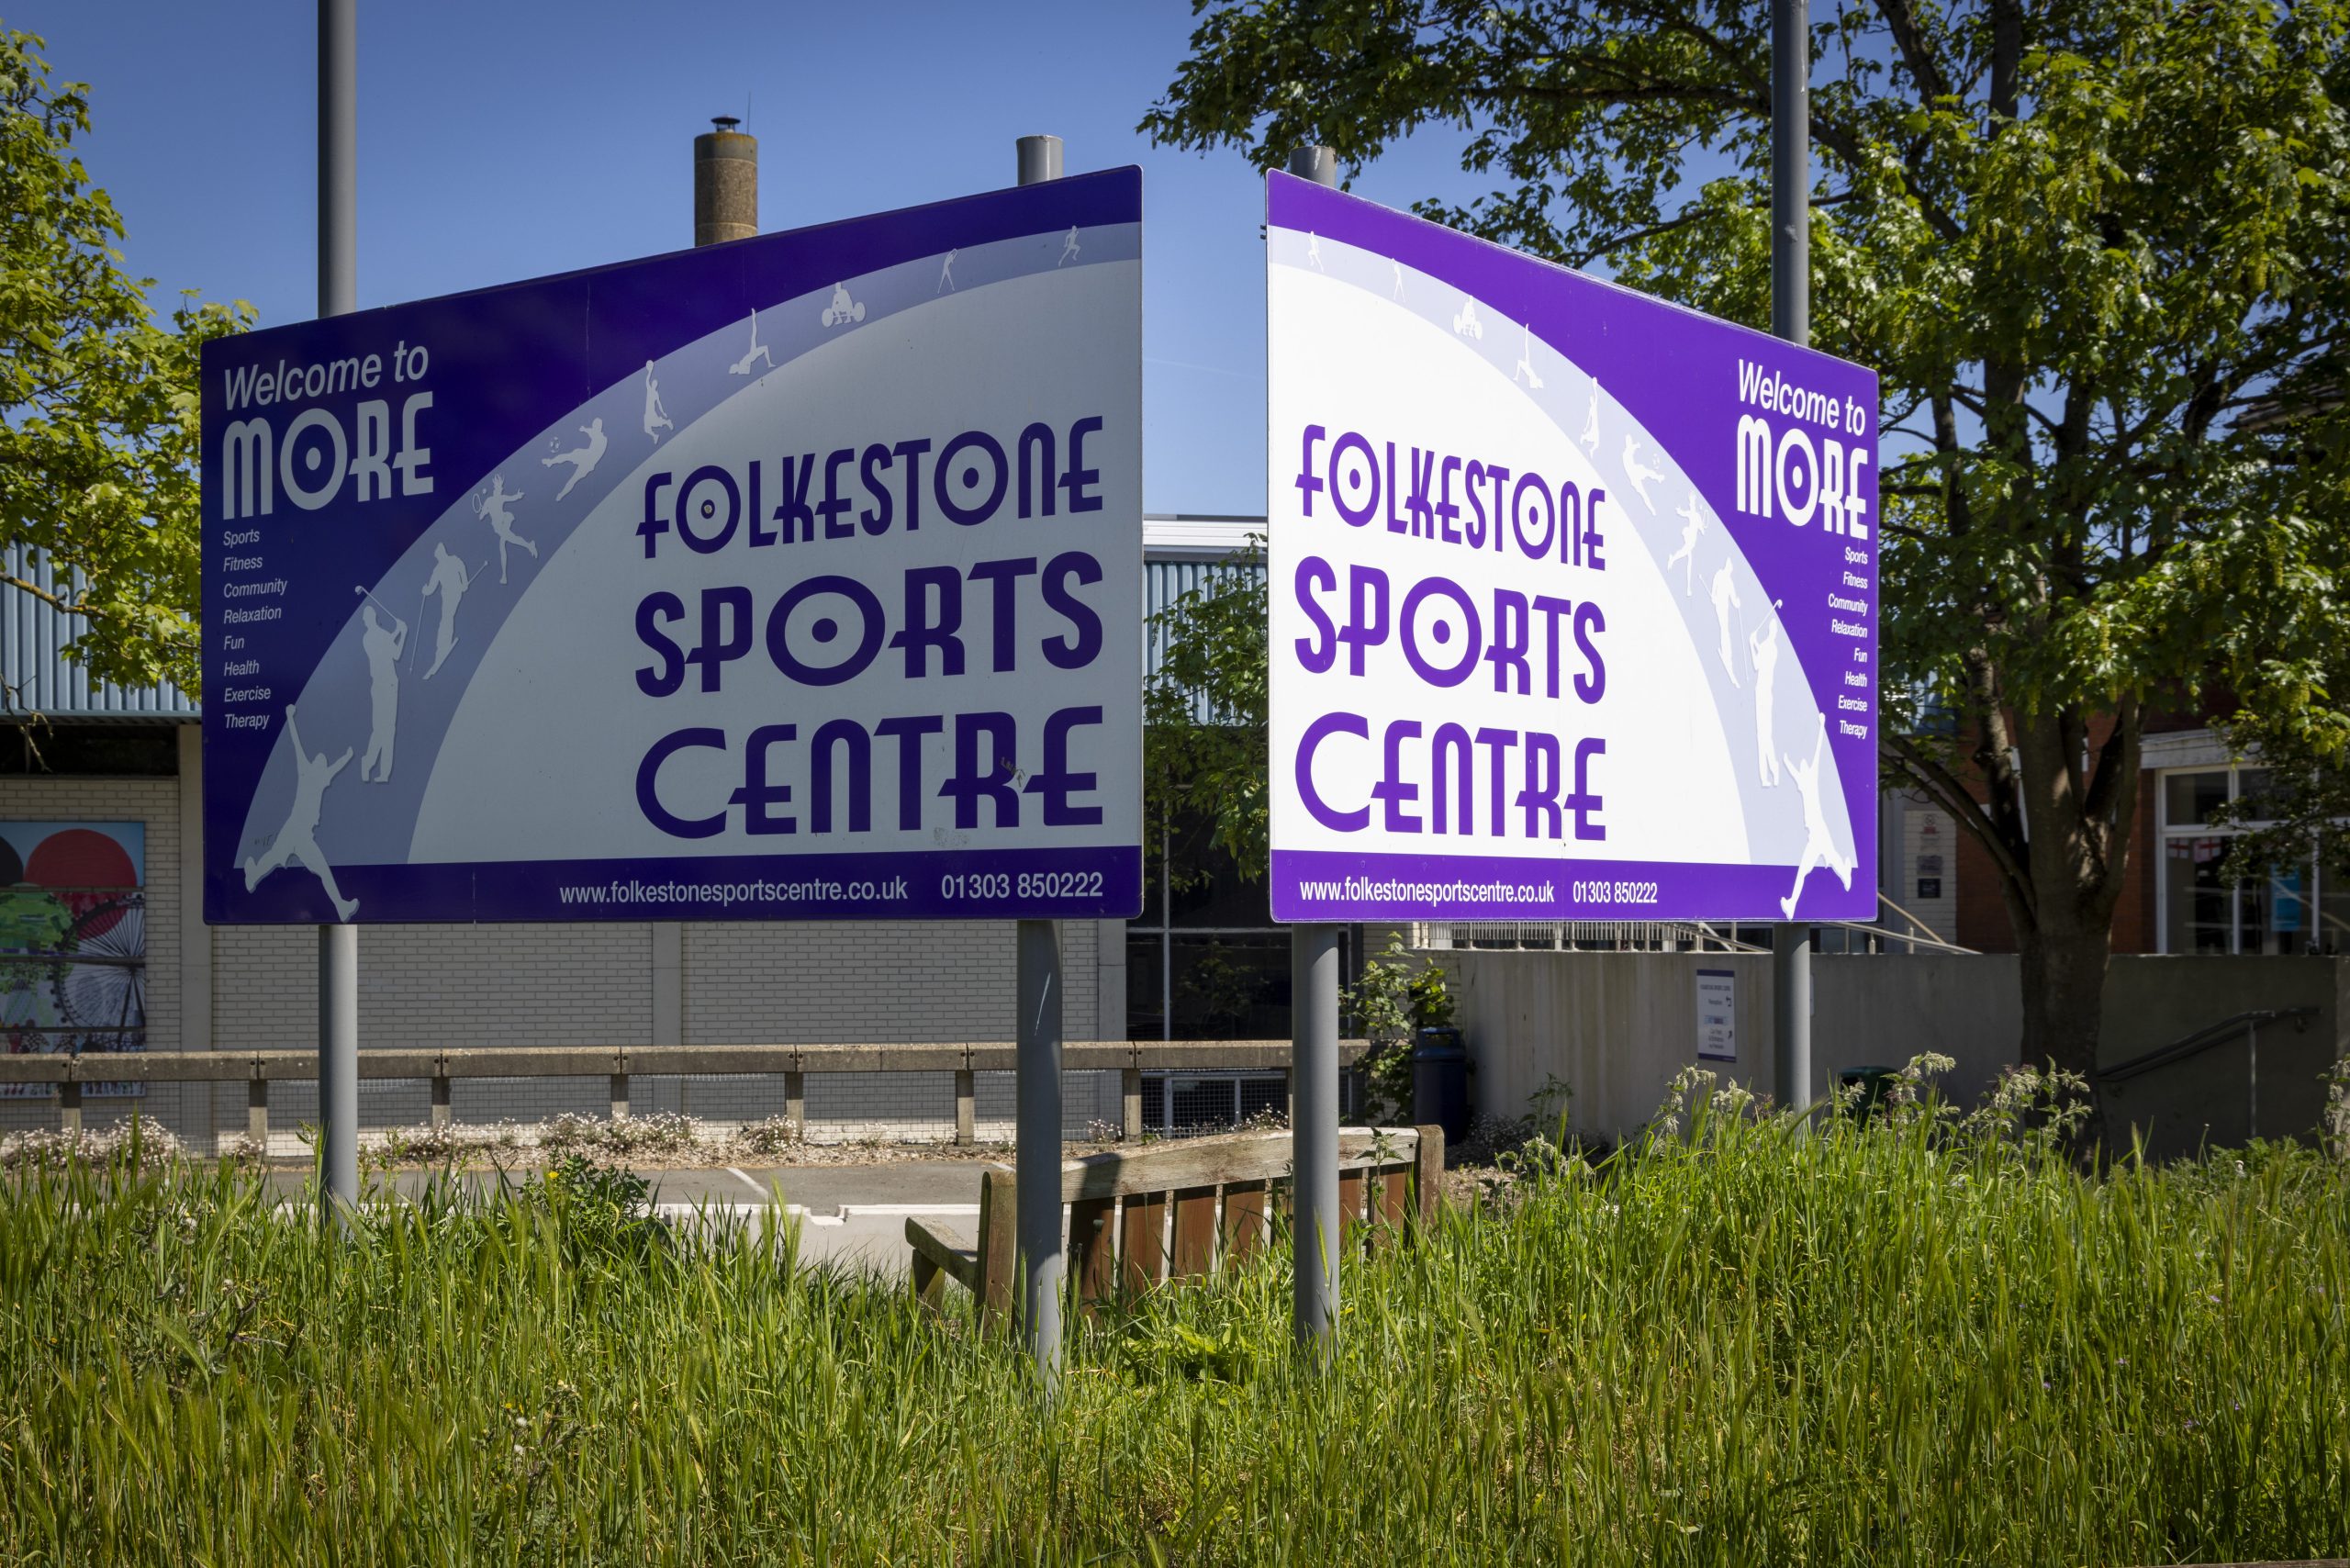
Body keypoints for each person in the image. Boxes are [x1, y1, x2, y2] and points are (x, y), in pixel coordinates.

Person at [243, 705, 358, 921]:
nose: (322, 761)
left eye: (324, 761)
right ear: (314, 763)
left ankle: (341, 906)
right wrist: (290, 717)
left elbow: (337, 767)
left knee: (320, 869)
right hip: (293, 828)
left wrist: (347, 756)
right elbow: (297, 744)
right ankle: (253, 874)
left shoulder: (322, 778)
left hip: (304, 835)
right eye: (320, 759)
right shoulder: (306, 770)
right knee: (275, 857)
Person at [1782, 712, 1855, 918]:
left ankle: (1845, 873)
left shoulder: (1811, 775)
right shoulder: (1801, 780)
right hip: (1814, 834)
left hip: (1819, 831)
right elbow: (1792, 769)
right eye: (1801, 763)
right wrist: (1786, 760)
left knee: (1825, 861)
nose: (1804, 764)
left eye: (1804, 763)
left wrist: (1822, 726)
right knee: (1812, 867)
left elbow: (1817, 751)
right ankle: (1792, 904)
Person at [359, 604, 407, 783]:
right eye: (366, 618)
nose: (367, 620)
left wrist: (402, 632)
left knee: (389, 729)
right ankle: (368, 763)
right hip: (380, 685)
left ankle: (384, 773)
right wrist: (401, 631)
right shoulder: (368, 638)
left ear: (373, 618)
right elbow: (387, 649)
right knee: (380, 729)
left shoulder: (383, 635)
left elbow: (395, 653)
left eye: (368, 617)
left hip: (391, 684)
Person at [421, 542, 474, 679]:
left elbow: (462, 567)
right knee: (446, 619)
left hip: (454, 593)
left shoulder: (452, 561)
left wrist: (464, 582)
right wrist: (426, 590)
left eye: (438, 554)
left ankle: (442, 648)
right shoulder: (438, 569)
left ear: (442, 552)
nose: (438, 556)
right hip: (448, 595)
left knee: (446, 619)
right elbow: (431, 588)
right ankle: (442, 648)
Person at [473, 474, 537, 584]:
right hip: (498, 526)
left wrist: (518, 495)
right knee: (506, 542)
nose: (500, 490)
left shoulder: (499, 498)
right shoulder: (489, 501)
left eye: (500, 488)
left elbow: (512, 498)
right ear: (495, 489)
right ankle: (529, 546)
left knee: (505, 543)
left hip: (504, 522)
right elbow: (481, 516)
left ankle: (504, 576)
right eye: (498, 488)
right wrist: (483, 511)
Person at [1748, 609, 1784, 787]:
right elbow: (1757, 663)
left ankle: (1773, 770)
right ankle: (1765, 777)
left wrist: (1752, 644)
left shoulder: (1771, 649)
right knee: (1761, 735)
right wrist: (1753, 643)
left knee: (1764, 735)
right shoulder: (1767, 647)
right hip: (1761, 692)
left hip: (1764, 693)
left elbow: (1758, 663)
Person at [541, 417, 606, 501]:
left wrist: (584, 429)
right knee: (567, 457)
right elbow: (591, 432)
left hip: (588, 460)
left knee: (573, 480)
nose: (594, 427)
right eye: (594, 425)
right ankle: (551, 462)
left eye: (595, 425)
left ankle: (561, 494)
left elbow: (593, 434)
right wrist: (584, 429)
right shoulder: (597, 435)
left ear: (599, 427)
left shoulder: (601, 439)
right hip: (586, 456)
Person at [1707, 556, 1743, 689]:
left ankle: (1728, 656)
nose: (1730, 568)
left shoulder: (1729, 582)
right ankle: (1727, 657)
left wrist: (1737, 603)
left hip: (1725, 609)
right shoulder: (1720, 574)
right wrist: (1713, 596)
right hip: (1720, 607)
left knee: (1726, 631)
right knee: (1725, 631)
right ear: (1728, 565)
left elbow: (1734, 600)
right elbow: (1714, 588)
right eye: (1730, 566)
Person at [642, 360, 673, 444]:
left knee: (657, 423)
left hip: (651, 412)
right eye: (653, 383)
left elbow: (659, 405)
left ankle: (667, 422)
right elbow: (647, 381)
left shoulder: (655, 394)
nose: (653, 384)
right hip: (647, 413)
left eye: (654, 384)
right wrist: (650, 371)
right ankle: (655, 436)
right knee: (646, 429)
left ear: (655, 385)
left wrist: (663, 413)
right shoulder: (649, 390)